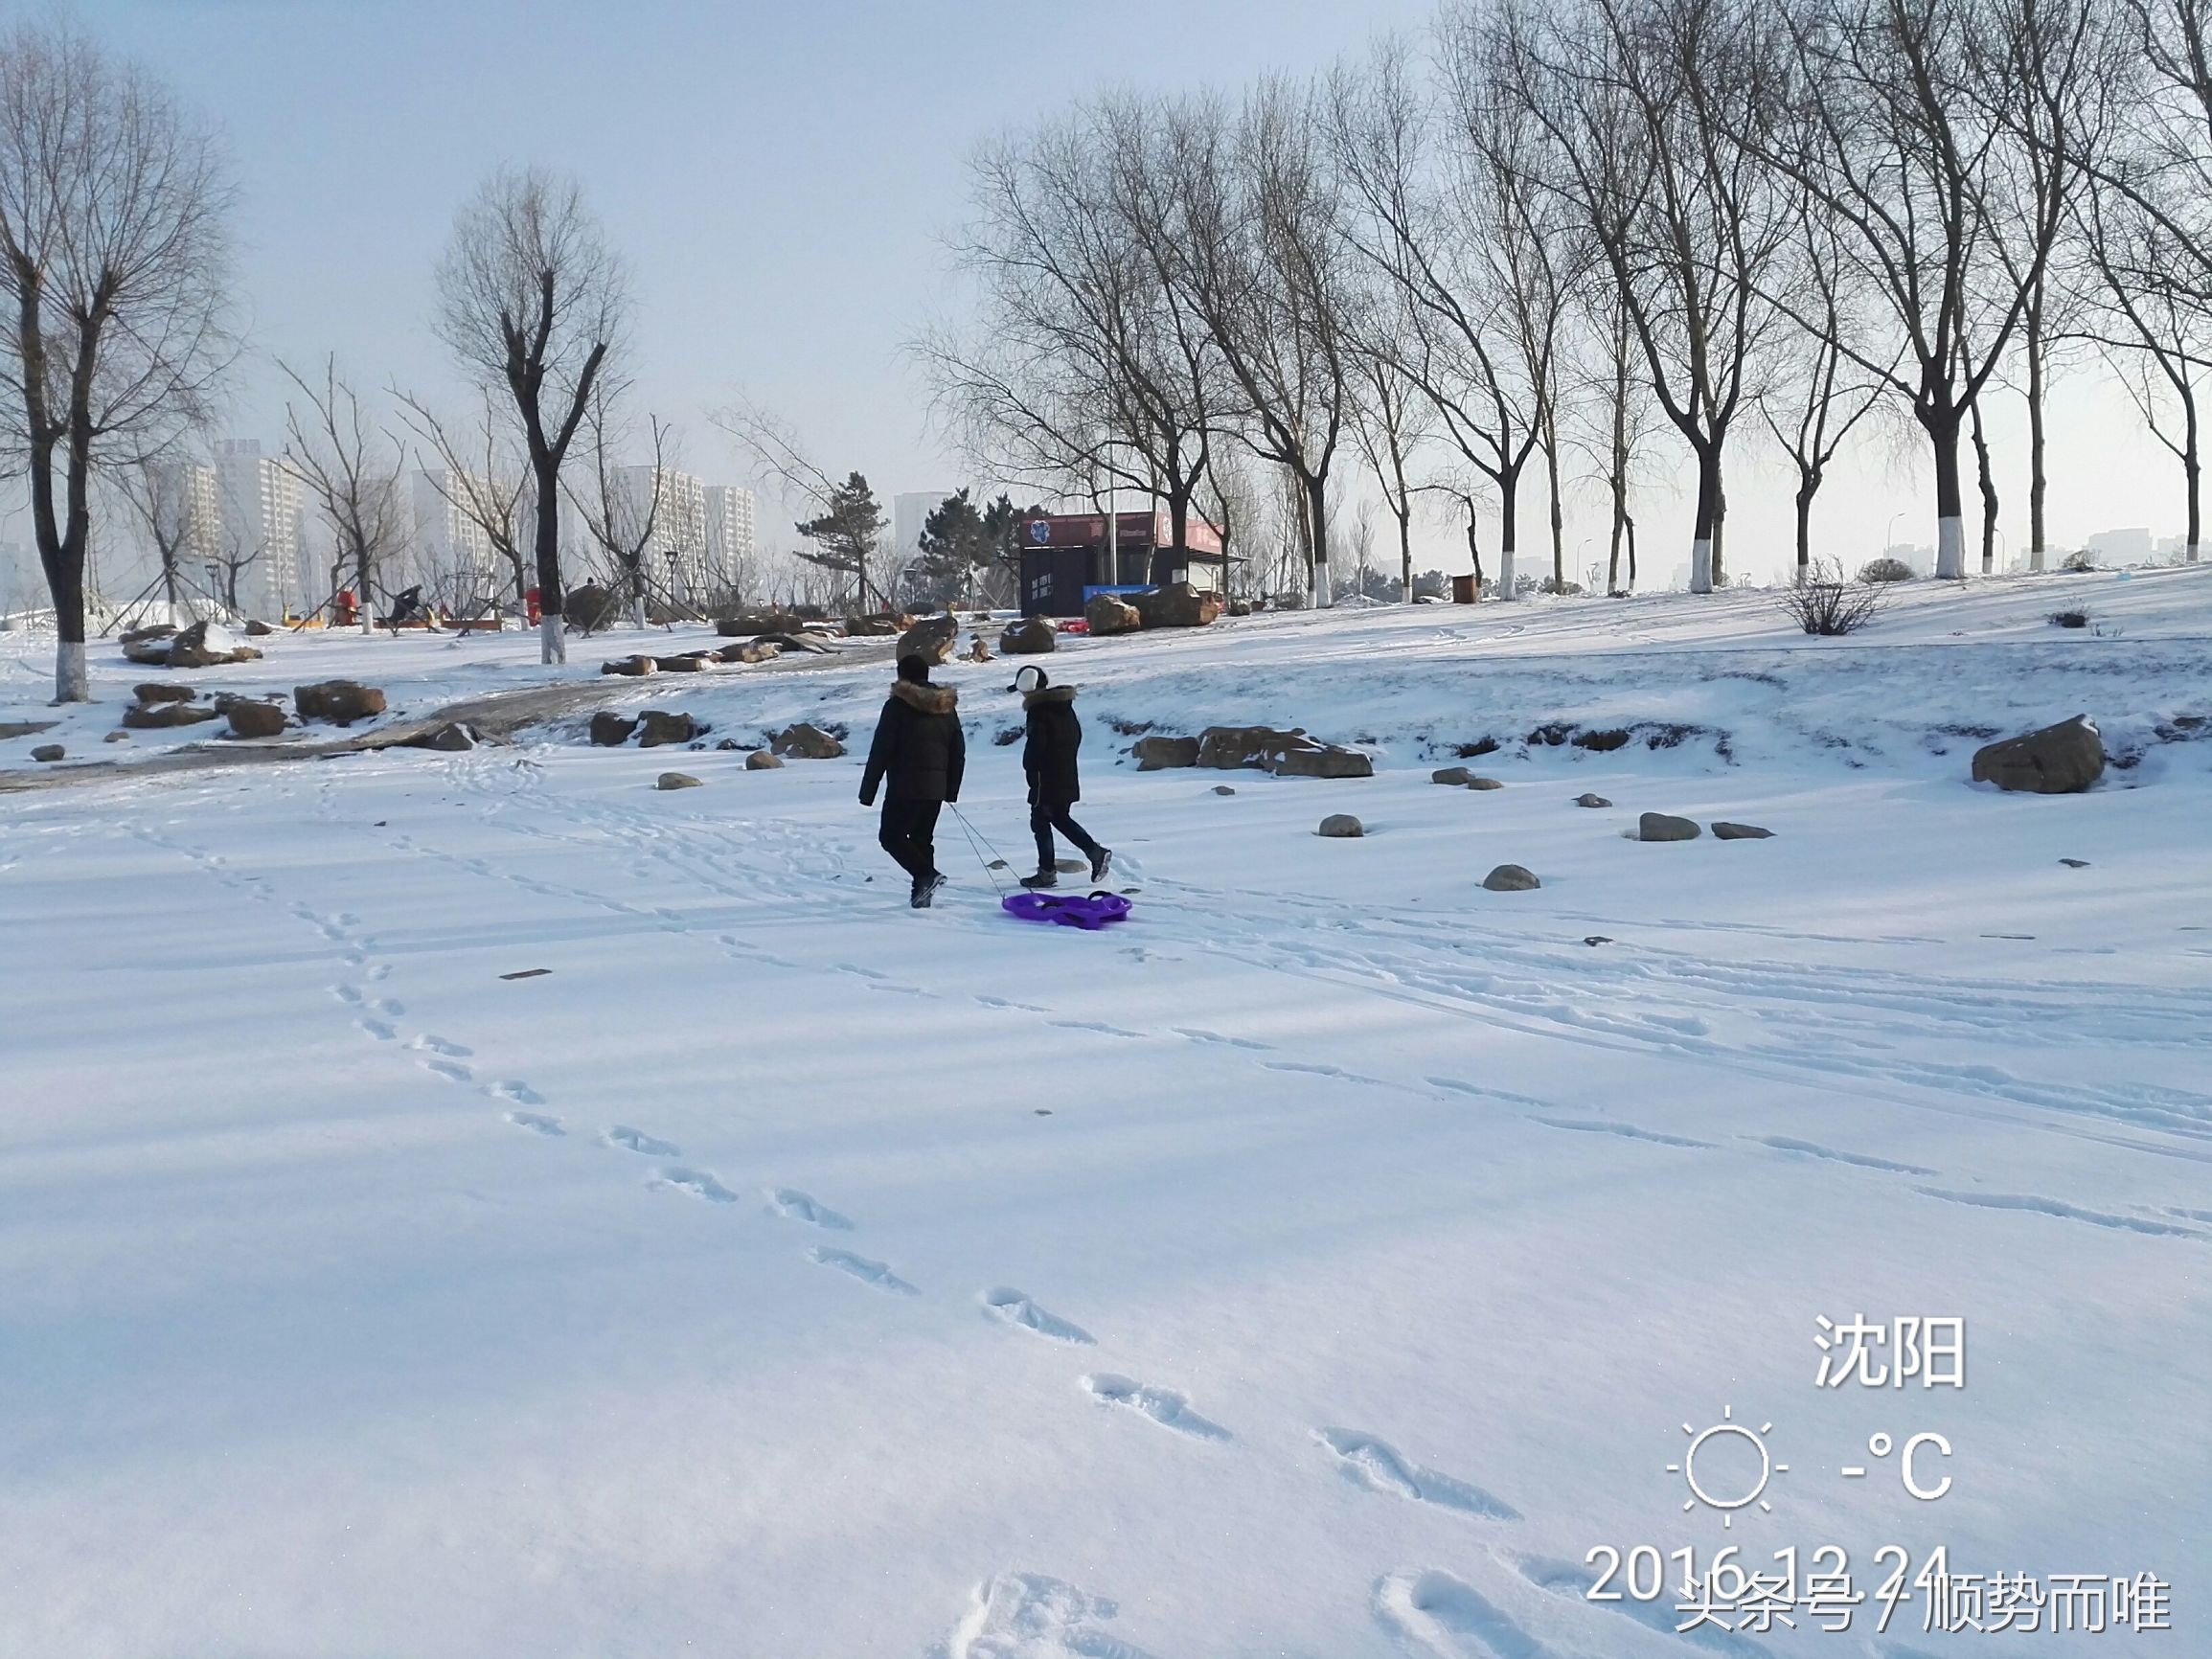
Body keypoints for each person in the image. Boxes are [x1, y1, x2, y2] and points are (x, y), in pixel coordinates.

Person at [859, 654, 966, 908]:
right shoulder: (945, 707)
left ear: (901, 676)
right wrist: (950, 789)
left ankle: (925, 876)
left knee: (890, 837)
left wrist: (868, 791)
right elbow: (957, 751)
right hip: (935, 788)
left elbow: (881, 749)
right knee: (921, 839)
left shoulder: (896, 707)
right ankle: (923, 895)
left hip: (904, 786)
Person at [1012, 664, 1109, 889]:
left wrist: (1029, 764)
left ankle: (1049, 871)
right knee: (1058, 817)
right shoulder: (1064, 707)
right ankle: (1093, 853)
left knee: (1040, 821)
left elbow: (1037, 746)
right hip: (1066, 773)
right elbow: (1076, 737)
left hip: (1045, 778)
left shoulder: (1039, 711)